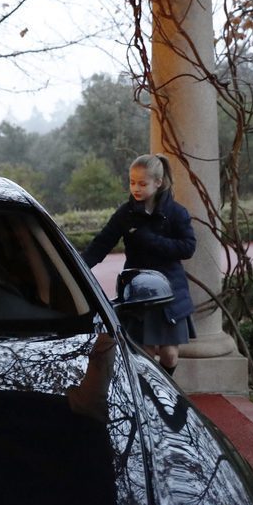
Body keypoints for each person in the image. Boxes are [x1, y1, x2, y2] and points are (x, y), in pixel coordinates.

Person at [81, 154, 196, 376]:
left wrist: (149, 238)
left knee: (170, 354)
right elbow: (101, 244)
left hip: (170, 291)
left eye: (142, 183)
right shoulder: (126, 214)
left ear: (158, 182)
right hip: (138, 293)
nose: (136, 188)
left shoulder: (176, 213)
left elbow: (187, 248)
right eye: (132, 182)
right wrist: (78, 268)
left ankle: (164, 387)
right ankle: (151, 395)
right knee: (145, 351)